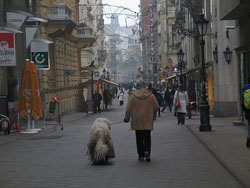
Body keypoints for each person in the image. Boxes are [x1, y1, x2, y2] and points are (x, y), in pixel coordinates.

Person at [123, 81, 159, 162]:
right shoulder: (151, 95)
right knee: (147, 136)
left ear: (137, 87)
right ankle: (147, 151)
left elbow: (128, 109)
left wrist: (127, 118)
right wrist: (151, 113)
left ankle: (141, 155)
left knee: (139, 137)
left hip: (137, 120)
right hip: (147, 119)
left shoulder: (133, 97)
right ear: (145, 86)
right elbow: (156, 106)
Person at [242, 76, 250, 148]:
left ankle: (248, 141)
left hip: (248, 111)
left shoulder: (245, 89)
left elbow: (243, 102)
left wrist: (245, 111)